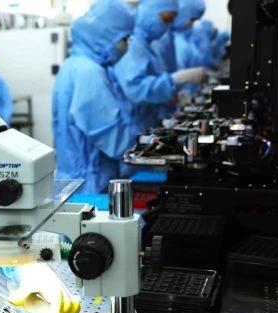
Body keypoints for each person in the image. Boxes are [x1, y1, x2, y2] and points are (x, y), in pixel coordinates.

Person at [52, 0, 136, 194]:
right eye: (124, 39)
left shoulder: (73, 65)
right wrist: (139, 151)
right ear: (106, 36)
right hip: (91, 185)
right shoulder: (89, 72)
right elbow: (111, 136)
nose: (126, 47)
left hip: (72, 181)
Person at [112, 0, 208, 138]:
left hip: (147, 124)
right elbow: (135, 89)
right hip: (134, 128)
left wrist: (170, 96)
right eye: (166, 19)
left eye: (171, 20)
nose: (167, 26)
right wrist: (175, 80)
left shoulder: (148, 45)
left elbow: (153, 81)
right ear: (149, 11)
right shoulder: (134, 44)